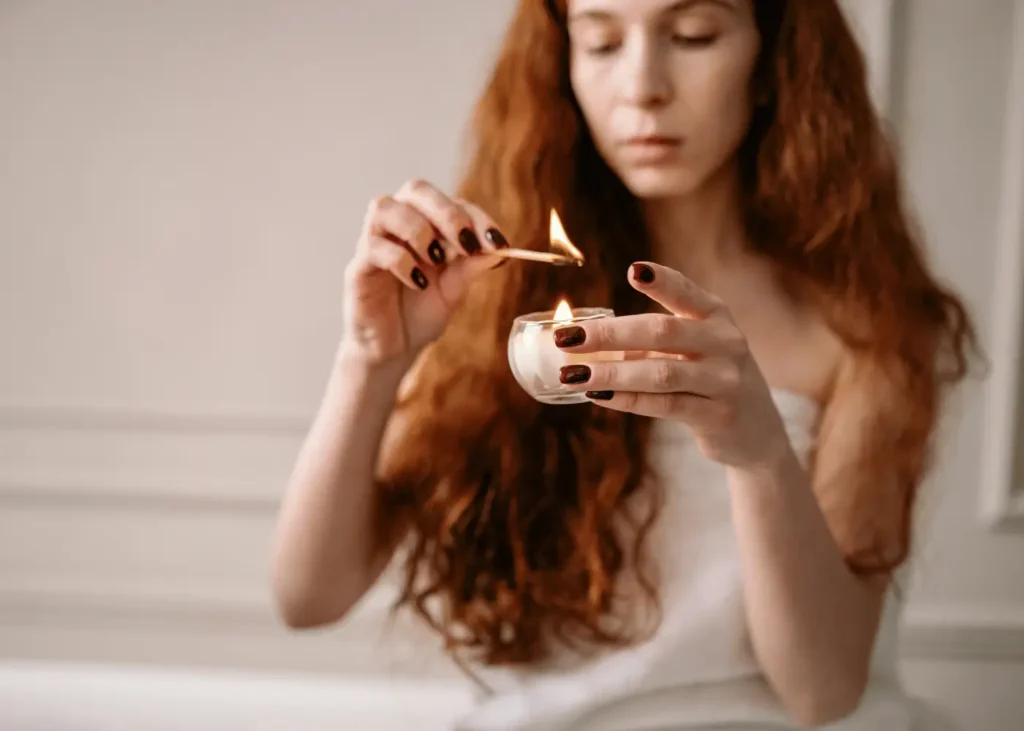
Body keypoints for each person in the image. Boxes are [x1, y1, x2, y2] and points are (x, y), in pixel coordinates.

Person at [271, 0, 978, 728]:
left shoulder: (866, 333)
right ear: (563, 65)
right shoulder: (486, 309)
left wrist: (760, 451)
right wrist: (370, 358)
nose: (643, 85)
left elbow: (822, 691)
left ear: (773, 62)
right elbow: (307, 597)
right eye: (603, 42)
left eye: (693, 35)